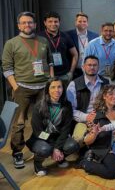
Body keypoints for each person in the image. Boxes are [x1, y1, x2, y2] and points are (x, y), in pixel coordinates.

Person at [2, 11, 54, 169]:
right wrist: (16, 87)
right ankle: (17, 151)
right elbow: (7, 68)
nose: (27, 25)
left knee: (44, 120)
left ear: (35, 24)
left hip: (43, 88)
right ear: (19, 25)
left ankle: (39, 146)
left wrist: (51, 80)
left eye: (30, 22)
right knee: (19, 123)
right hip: (22, 88)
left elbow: (50, 62)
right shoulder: (11, 43)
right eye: (23, 22)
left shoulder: (43, 40)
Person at [26, 79, 79, 176]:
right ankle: (38, 165)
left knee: (73, 145)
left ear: (63, 89)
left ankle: (59, 158)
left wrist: (57, 147)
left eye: (59, 87)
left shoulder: (67, 105)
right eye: (53, 87)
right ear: (47, 90)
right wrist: (55, 148)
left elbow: (66, 129)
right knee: (45, 149)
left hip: (57, 137)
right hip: (40, 138)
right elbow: (38, 132)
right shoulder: (39, 106)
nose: (57, 90)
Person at [66, 55, 109, 145]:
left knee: (104, 136)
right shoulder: (74, 85)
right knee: (77, 141)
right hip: (81, 120)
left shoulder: (105, 82)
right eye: (89, 65)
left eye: (95, 65)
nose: (92, 67)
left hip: (100, 118)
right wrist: (87, 117)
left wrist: (97, 117)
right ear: (83, 66)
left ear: (98, 67)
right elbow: (69, 109)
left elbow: (108, 105)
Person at [38, 11, 78, 89]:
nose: (53, 24)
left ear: (59, 22)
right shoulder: (39, 37)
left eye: (56, 21)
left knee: (65, 99)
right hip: (46, 77)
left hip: (64, 76)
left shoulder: (66, 36)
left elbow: (75, 54)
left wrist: (71, 72)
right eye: (50, 21)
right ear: (45, 23)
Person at [66, 12, 99, 79]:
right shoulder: (68, 35)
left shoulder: (95, 36)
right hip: (75, 70)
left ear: (87, 23)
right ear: (75, 23)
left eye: (84, 21)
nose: (82, 23)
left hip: (90, 70)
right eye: (79, 21)